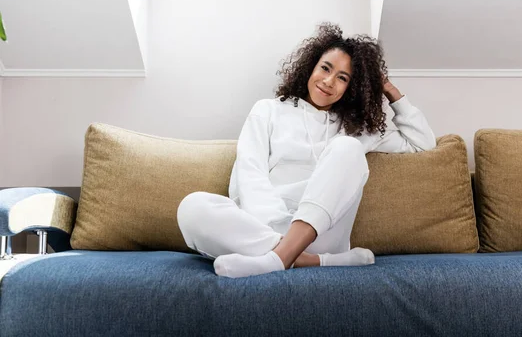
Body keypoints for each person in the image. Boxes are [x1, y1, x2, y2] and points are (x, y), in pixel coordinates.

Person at [177, 23, 436, 278]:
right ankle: (309, 260)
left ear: (352, 88)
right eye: (325, 68)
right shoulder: (268, 110)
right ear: (311, 65)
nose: (328, 81)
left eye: (342, 78)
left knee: (347, 148)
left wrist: (391, 91)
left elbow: (422, 142)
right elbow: (250, 171)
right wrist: (274, 225)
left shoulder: (358, 129)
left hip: (322, 233)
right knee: (192, 207)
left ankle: (278, 259)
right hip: (262, 228)